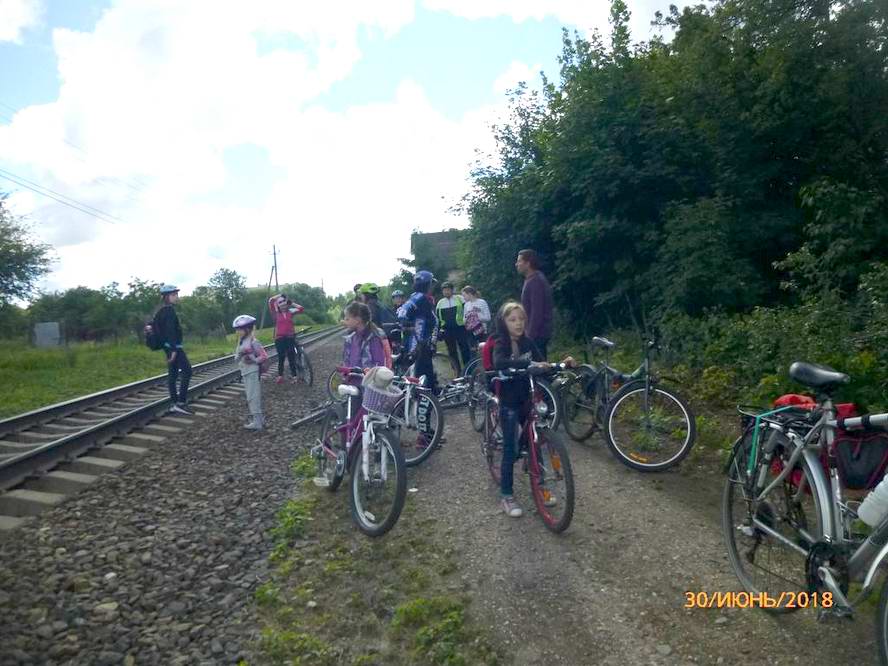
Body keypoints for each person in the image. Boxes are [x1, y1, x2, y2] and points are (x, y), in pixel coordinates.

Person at [491, 301, 573, 518]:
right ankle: (506, 496)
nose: (518, 323)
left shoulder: (528, 342)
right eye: (512, 319)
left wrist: (559, 365)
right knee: (510, 450)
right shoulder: (502, 342)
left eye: (521, 319)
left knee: (535, 444)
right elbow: (499, 362)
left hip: (528, 399)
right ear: (504, 322)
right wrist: (524, 365)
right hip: (509, 402)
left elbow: (541, 363)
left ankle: (541, 486)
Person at [152, 284, 193, 415]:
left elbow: (156, 327)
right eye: (174, 295)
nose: (176, 297)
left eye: (176, 294)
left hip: (168, 346)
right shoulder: (169, 311)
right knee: (187, 371)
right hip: (174, 347)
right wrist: (174, 350)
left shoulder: (160, 310)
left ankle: (174, 403)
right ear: (166, 296)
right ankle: (180, 402)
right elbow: (170, 331)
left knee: (173, 374)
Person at [397, 270, 439, 393]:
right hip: (418, 342)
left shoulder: (415, 296)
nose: (432, 287)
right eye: (431, 284)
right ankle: (423, 402)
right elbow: (403, 313)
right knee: (422, 376)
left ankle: (430, 398)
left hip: (419, 341)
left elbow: (402, 312)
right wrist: (407, 325)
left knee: (424, 374)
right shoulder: (421, 298)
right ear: (426, 284)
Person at [516, 248, 554, 359]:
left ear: (528, 263)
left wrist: (530, 336)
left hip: (538, 333)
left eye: (519, 261)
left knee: (539, 368)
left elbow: (537, 312)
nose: (516, 264)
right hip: (536, 333)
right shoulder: (530, 279)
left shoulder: (536, 281)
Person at [233, 314, 267, 431]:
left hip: (252, 372)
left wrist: (252, 360)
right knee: (250, 397)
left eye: (240, 329)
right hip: (245, 372)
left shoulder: (254, 341)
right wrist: (240, 355)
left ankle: (257, 422)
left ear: (247, 329)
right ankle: (258, 419)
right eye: (237, 330)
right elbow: (236, 358)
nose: (238, 332)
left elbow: (263, 356)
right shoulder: (241, 341)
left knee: (253, 397)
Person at [268, 293, 305, 384]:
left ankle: (294, 376)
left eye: (284, 301)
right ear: (277, 305)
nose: (283, 303)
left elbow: (301, 309)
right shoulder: (275, 313)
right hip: (279, 339)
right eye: (280, 302)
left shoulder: (290, 312)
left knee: (291, 357)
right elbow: (271, 301)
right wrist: (280, 295)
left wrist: (291, 302)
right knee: (281, 357)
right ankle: (280, 376)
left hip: (290, 337)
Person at [436, 281, 472, 374]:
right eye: (444, 290)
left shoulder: (460, 299)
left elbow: (467, 311)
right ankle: (457, 372)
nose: (446, 292)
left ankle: (468, 370)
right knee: (452, 352)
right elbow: (438, 318)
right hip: (447, 330)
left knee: (465, 349)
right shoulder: (440, 303)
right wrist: (439, 330)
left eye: (448, 290)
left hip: (460, 328)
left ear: (452, 290)